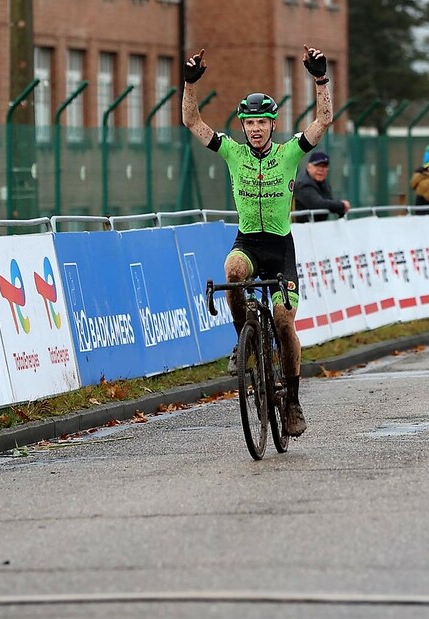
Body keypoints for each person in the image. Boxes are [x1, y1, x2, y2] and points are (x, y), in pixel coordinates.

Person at [182, 45, 334, 437]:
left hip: (280, 249)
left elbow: (323, 120)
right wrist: (189, 83)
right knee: (232, 271)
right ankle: (243, 343)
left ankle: (294, 403)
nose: (254, 129)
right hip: (248, 243)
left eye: (261, 123)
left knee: (284, 323)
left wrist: (320, 79)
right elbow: (191, 121)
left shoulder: (289, 154)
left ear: (271, 125)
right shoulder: (232, 153)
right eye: (248, 123)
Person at [293, 151, 350, 222]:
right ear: (308, 167)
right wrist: (342, 205)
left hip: (316, 228)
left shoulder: (323, 183)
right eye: (317, 165)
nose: (321, 169)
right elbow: (317, 204)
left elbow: (329, 201)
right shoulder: (303, 183)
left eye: (324, 166)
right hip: (299, 229)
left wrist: (340, 209)